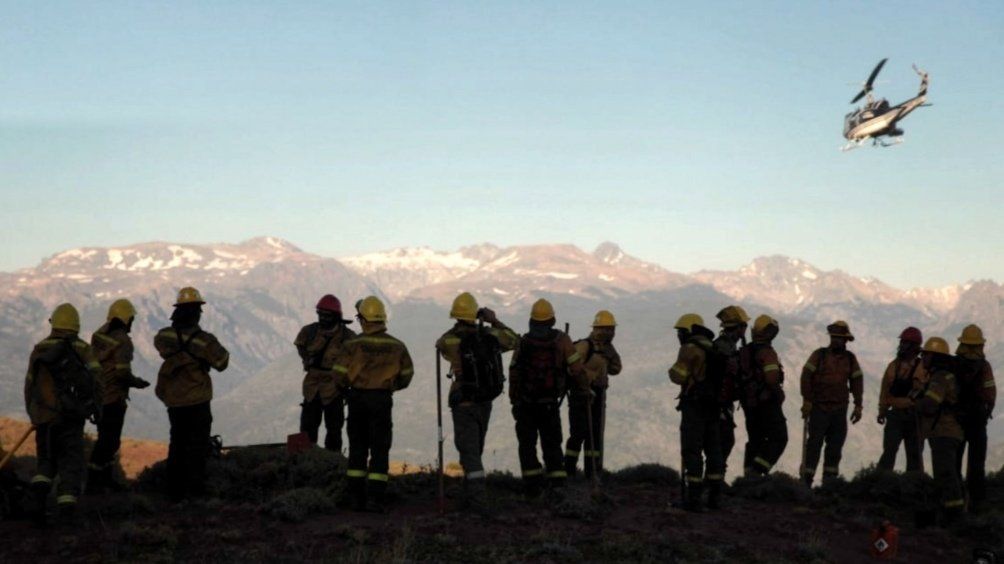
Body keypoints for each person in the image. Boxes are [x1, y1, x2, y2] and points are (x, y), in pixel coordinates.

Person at [436, 292, 518, 508]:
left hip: (463, 400)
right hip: (485, 399)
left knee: (469, 451)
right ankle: (470, 490)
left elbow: (440, 343)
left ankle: (477, 499)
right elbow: (514, 340)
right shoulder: (490, 336)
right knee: (476, 448)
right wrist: (493, 320)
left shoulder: (451, 340)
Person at [334, 296, 414, 512]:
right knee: (380, 448)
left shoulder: (352, 345)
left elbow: (339, 374)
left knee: (357, 447)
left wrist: (348, 388)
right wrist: (389, 386)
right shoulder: (397, 346)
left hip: (357, 398)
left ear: (363, 319)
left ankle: (355, 497)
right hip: (382, 400)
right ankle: (376, 498)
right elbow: (407, 376)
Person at [24, 303, 102, 525]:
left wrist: (34, 413)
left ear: (54, 323)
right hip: (71, 418)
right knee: (70, 462)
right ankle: (67, 511)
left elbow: (29, 384)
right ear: (76, 324)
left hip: (44, 418)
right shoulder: (83, 349)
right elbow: (97, 381)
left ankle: (37, 503)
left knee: (45, 462)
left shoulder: (40, 349)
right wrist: (97, 408)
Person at [154, 287, 230, 502]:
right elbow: (222, 362)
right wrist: (202, 358)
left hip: (174, 400)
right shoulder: (205, 341)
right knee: (197, 446)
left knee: (176, 443)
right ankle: (194, 492)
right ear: (197, 312)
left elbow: (160, 345)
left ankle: (173, 492)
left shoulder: (165, 335)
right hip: (197, 399)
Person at [508, 299, 587, 499]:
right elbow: (577, 370)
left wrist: (514, 401)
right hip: (549, 404)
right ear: (552, 319)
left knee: (527, 446)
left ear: (532, 320)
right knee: (552, 445)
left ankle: (532, 488)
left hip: (525, 404)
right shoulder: (562, 340)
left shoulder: (524, 342)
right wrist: (584, 388)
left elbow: (514, 372)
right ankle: (558, 486)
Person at [88, 299, 150, 492]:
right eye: (131, 319)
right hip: (112, 397)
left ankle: (101, 480)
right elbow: (122, 373)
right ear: (126, 319)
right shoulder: (123, 341)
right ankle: (97, 481)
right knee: (110, 441)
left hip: (96, 395)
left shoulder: (98, 335)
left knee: (103, 438)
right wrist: (137, 382)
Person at [669, 313, 723, 511]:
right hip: (714, 406)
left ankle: (693, 499)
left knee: (692, 450)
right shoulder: (713, 347)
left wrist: (673, 370)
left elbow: (678, 376)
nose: (679, 336)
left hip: (695, 405)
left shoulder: (690, 348)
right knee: (713, 450)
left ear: (689, 331)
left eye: (681, 332)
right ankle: (715, 498)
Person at [800, 321, 864, 487]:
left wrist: (858, 405)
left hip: (839, 410)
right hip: (818, 408)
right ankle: (806, 481)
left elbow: (857, 381)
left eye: (839, 338)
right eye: (834, 337)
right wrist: (807, 400)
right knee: (814, 445)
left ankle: (830, 484)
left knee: (835, 448)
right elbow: (806, 376)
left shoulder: (850, 359)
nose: (836, 341)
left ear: (846, 341)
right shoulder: (819, 355)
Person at [564, 310, 622, 480]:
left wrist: (611, 355)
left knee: (595, 435)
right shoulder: (585, 346)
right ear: (597, 329)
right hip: (581, 395)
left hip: (599, 396)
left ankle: (592, 472)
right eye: (606, 329)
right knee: (579, 433)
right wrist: (591, 379)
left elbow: (616, 369)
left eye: (611, 329)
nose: (610, 333)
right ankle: (568, 470)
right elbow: (572, 369)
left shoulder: (607, 349)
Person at [294, 294, 356, 451]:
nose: (323, 318)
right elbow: (300, 345)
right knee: (308, 429)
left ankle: (333, 460)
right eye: (320, 314)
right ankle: (305, 459)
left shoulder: (348, 337)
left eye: (326, 315)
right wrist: (307, 360)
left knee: (334, 430)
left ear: (336, 316)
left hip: (335, 387)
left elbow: (356, 360)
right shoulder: (309, 332)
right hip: (312, 387)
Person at [915, 337, 965, 524]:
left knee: (945, 474)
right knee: (949, 473)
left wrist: (916, 403)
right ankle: (951, 512)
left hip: (944, 432)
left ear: (935, 357)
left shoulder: (940, 378)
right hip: (949, 432)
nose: (923, 358)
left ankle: (954, 517)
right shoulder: (945, 376)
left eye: (926, 355)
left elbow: (930, 405)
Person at [954, 324, 996, 514]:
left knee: (954, 463)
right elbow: (990, 393)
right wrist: (986, 412)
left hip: (957, 421)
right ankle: (977, 505)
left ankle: (954, 502)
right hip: (978, 421)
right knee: (977, 465)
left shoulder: (953, 365)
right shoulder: (984, 367)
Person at [739, 314, 787, 477]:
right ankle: (758, 471)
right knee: (779, 438)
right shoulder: (767, 353)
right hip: (766, 403)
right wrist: (779, 394)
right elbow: (772, 378)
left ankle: (748, 476)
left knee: (755, 440)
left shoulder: (745, 351)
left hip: (748, 403)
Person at [876, 327, 924, 472]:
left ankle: (914, 483)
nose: (902, 346)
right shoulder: (893, 366)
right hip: (896, 415)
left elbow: (921, 390)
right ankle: (883, 481)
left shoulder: (921, 367)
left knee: (914, 455)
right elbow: (885, 390)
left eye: (906, 343)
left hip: (914, 416)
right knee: (889, 452)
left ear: (914, 346)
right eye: (902, 342)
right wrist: (882, 411)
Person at [712, 305, 749, 478]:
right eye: (744, 327)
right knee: (723, 440)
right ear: (739, 328)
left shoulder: (725, 346)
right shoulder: (725, 349)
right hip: (719, 404)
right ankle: (714, 479)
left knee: (722, 440)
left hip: (722, 403)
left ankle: (715, 478)